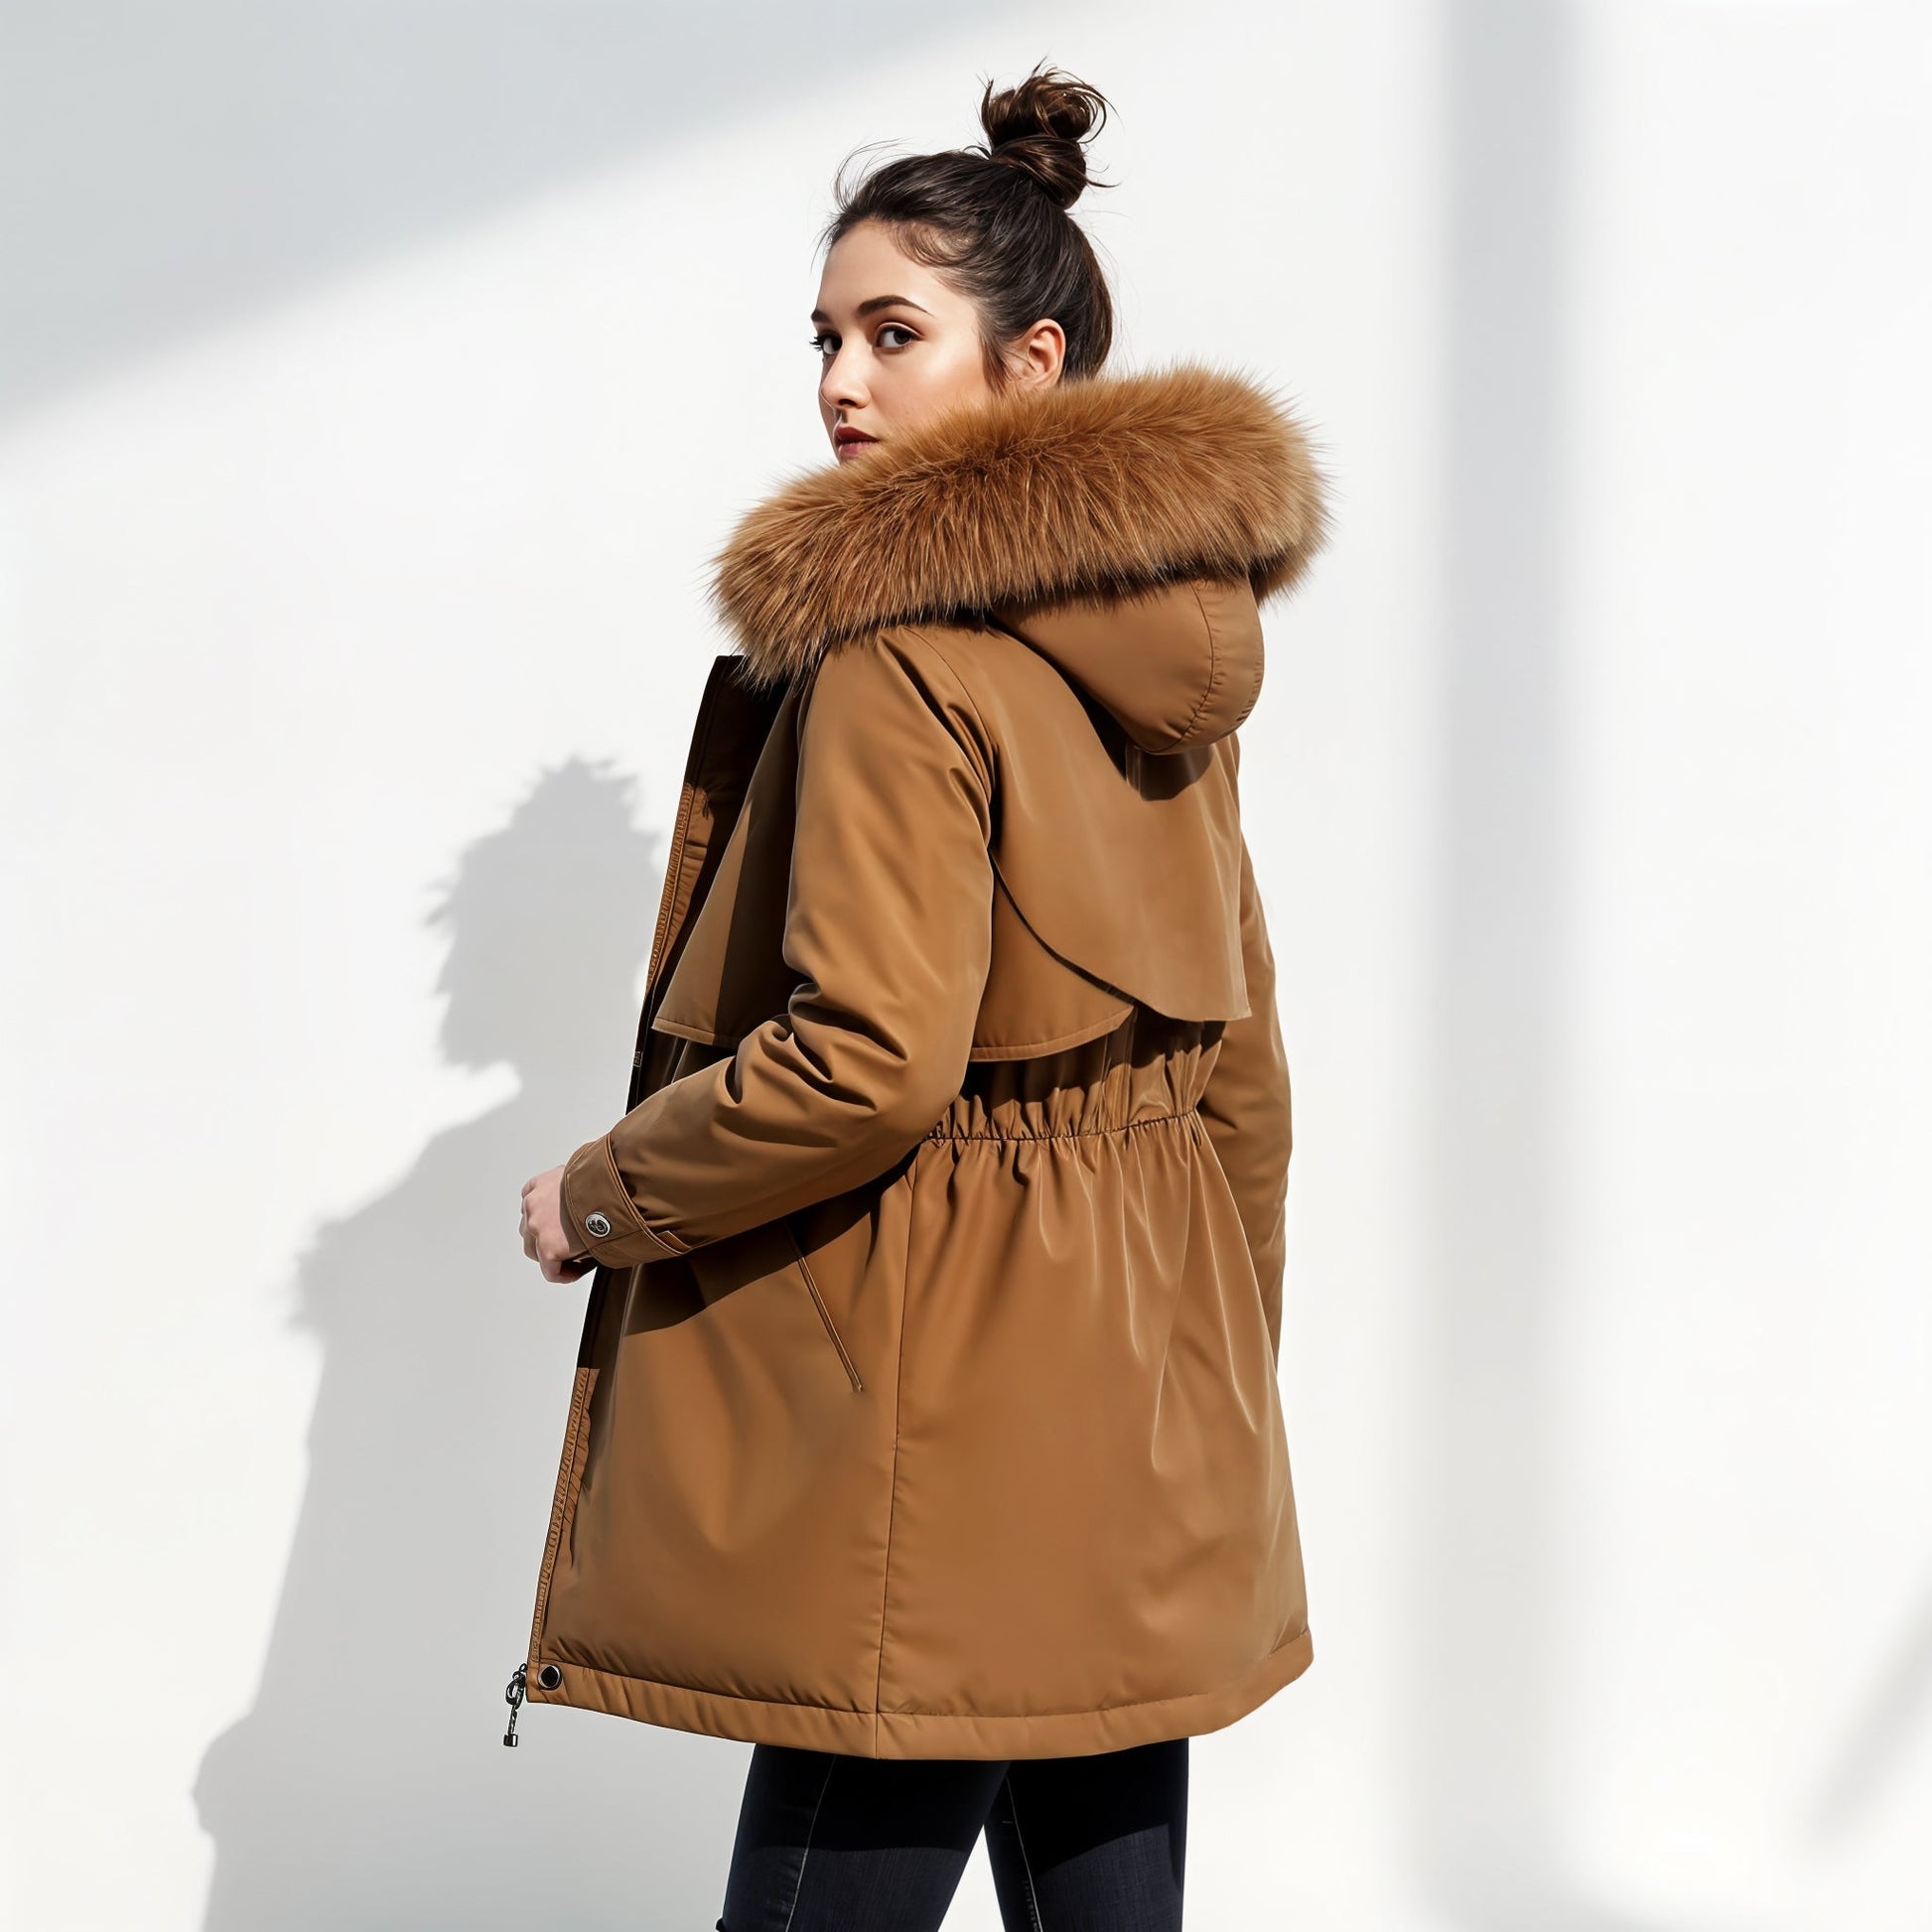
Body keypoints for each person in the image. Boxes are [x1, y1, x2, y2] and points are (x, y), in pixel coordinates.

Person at [514, 63, 1331, 1931]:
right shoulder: (1179, 661)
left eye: (893, 334)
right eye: (825, 337)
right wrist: (1208, 1380)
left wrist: (601, 1192)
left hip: (933, 1428)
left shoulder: (895, 657)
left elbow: (864, 1065)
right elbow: (1243, 1077)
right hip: (1132, 1403)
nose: (841, 382)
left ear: (1030, 365)